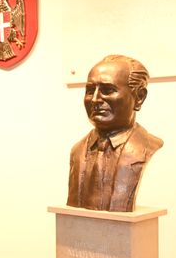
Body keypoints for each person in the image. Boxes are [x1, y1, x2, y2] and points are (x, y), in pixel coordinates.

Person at [67, 54, 163, 212]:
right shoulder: (77, 151)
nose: (95, 99)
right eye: (90, 91)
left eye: (107, 90)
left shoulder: (145, 147)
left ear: (139, 97)